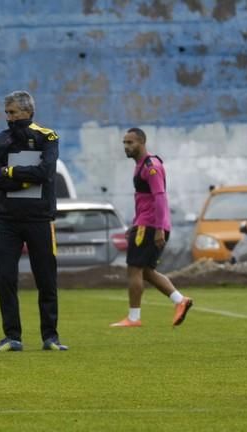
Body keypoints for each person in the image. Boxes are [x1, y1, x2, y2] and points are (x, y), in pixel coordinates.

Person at [0, 90, 67, 352]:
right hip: (7, 220)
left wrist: (10, 173)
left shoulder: (47, 137)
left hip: (40, 218)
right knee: (7, 278)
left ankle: (50, 337)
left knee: (46, 278)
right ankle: (12, 336)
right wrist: (24, 178)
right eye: (7, 113)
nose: (9, 118)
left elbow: (46, 172)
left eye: (13, 113)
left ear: (28, 112)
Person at [110, 128, 193, 328]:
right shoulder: (140, 165)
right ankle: (180, 301)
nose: (126, 147)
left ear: (142, 142)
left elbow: (160, 197)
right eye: (124, 143)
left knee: (134, 269)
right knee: (146, 271)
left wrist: (158, 229)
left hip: (151, 225)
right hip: (144, 224)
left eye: (131, 143)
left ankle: (133, 318)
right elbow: (143, 200)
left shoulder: (151, 166)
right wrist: (134, 223)